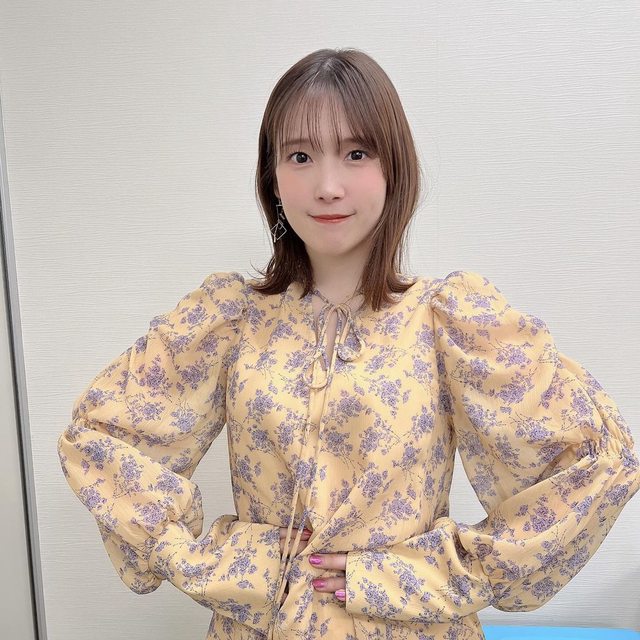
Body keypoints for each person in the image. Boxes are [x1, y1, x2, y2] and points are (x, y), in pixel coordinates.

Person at [57, 48, 640, 640]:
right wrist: (226, 561)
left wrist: (428, 575)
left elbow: (596, 463)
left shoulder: (451, 323)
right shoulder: (230, 320)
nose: (328, 186)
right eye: (300, 156)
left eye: (356, 153)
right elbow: (99, 438)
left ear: (394, 168)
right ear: (272, 177)